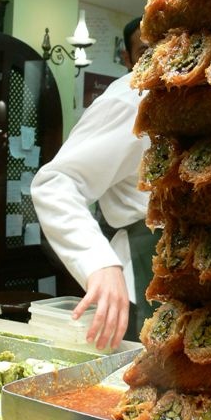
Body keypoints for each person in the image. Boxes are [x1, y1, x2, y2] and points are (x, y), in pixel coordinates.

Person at [31, 17, 157, 350]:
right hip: (146, 271)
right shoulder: (133, 98)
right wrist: (98, 262)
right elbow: (56, 183)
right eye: (148, 50)